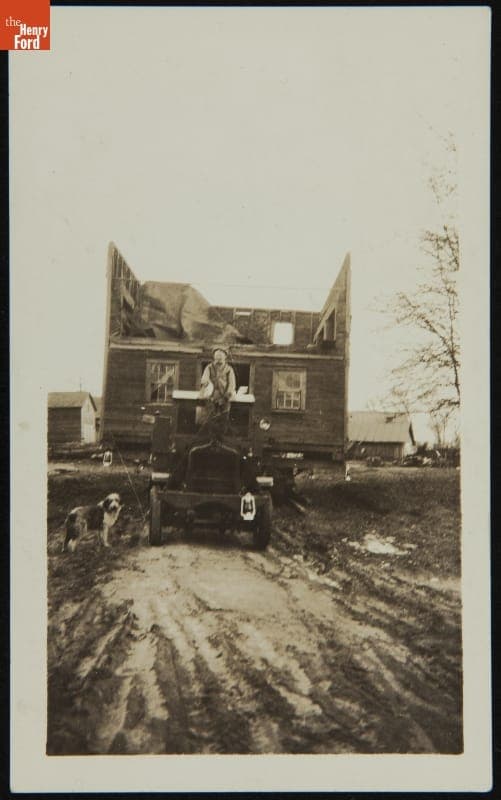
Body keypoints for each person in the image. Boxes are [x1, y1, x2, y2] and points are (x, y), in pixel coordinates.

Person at [199, 347, 236, 438]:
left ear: (225, 357)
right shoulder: (209, 367)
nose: (218, 359)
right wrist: (206, 383)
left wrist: (226, 397)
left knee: (224, 418)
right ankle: (210, 437)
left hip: (225, 397)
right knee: (210, 417)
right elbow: (204, 379)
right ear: (214, 357)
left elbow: (232, 384)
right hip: (212, 396)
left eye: (220, 356)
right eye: (217, 356)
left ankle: (221, 437)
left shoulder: (229, 369)